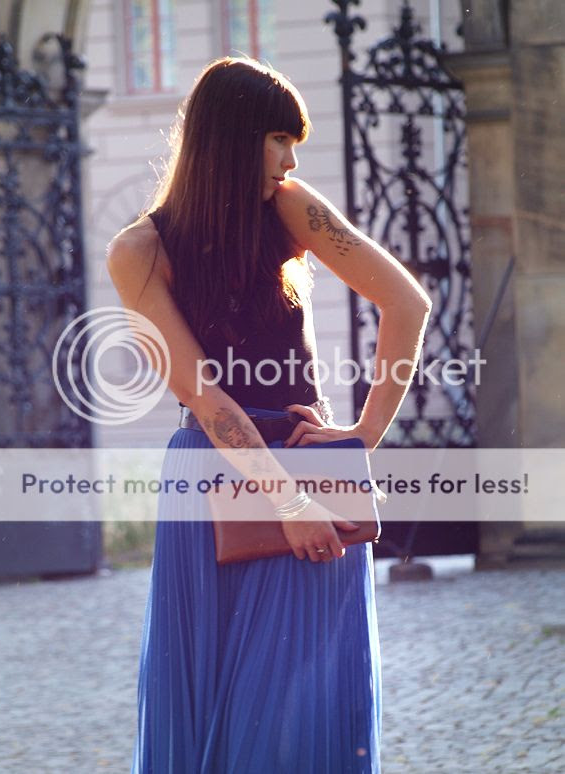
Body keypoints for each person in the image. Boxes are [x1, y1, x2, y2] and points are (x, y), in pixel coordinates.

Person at [107, 56, 431, 774]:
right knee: (212, 701)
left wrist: (362, 436)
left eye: (295, 142)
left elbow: (407, 303)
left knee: (308, 705)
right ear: (230, 138)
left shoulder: (288, 207)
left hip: (309, 461)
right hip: (214, 477)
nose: (290, 161)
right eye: (279, 139)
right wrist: (289, 501)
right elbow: (207, 397)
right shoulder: (137, 252)